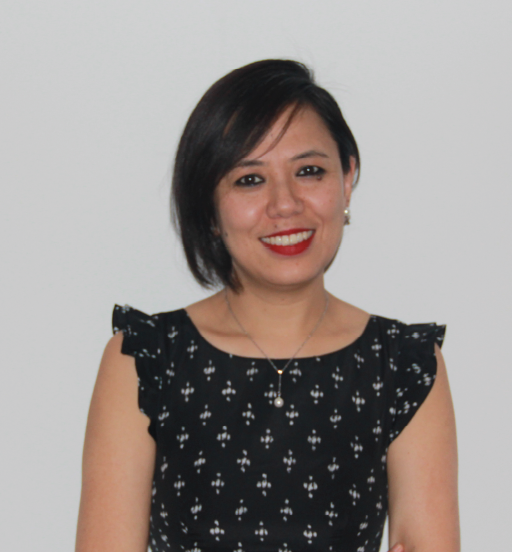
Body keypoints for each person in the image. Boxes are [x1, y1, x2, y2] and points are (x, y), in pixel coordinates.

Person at [76, 59, 460, 552]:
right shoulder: (145, 360)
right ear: (208, 206)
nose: (285, 204)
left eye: (309, 171)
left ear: (347, 178)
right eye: (249, 180)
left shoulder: (404, 364)